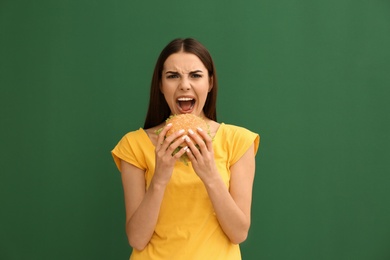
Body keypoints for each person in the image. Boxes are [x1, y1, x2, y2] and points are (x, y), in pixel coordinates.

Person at [112, 38, 260, 260]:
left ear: (210, 83)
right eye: (173, 76)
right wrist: (160, 177)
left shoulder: (238, 141)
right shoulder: (134, 145)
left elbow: (238, 233)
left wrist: (210, 174)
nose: (184, 85)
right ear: (161, 85)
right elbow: (137, 239)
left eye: (195, 75)